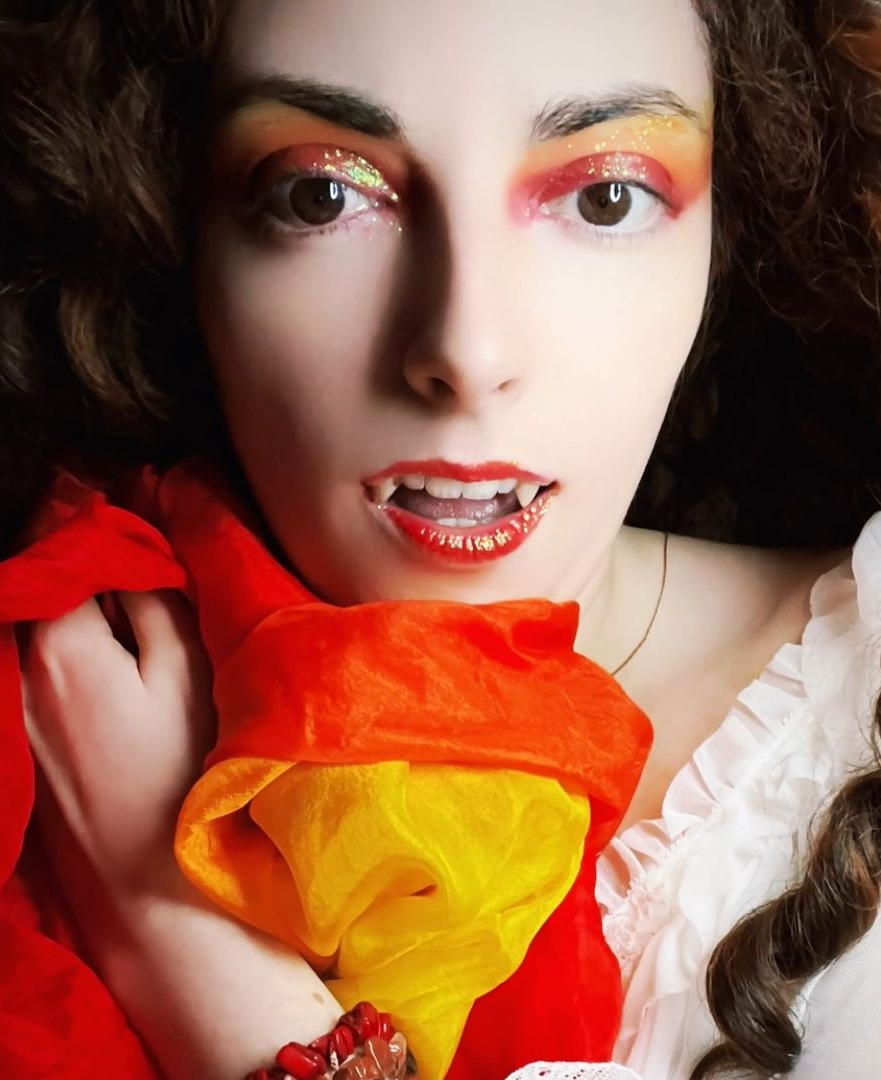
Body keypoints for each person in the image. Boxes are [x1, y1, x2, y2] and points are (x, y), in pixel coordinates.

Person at [1, 0, 881, 1078]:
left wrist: (174, 932)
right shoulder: (54, 689)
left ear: (724, 231)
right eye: (321, 194)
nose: (466, 348)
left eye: (604, 197)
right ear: (171, 225)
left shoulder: (862, 702)